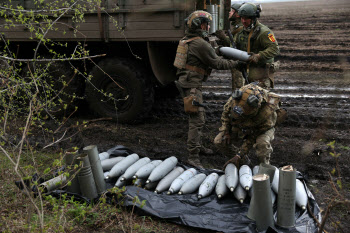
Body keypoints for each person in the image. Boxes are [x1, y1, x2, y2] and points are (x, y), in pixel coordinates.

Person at [174, 10, 241, 168]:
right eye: (206, 23)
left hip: (188, 82)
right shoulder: (199, 43)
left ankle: (198, 147)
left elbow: (208, 54)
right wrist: (237, 63)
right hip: (192, 86)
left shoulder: (189, 39)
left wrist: (216, 52)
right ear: (199, 25)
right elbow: (217, 63)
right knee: (196, 120)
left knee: (197, 119)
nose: (208, 26)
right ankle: (193, 156)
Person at [214, 83, 284, 168]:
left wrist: (239, 154)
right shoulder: (236, 99)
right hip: (243, 124)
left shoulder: (265, 113)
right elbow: (225, 115)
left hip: (262, 129)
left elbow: (252, 137)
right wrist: (226, 131)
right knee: (219, 141)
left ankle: (265, 169)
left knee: (262, 145)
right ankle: (243, 162)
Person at [234, 3, 280, 89]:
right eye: (242, 18)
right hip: (248, 75)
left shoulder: (264, 32)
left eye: (246, 18)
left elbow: (274, 49)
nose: (243, 21)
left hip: (262, 77)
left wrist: (258, 56)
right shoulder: (241, 32)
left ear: (253, 18)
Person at [215, 3, 245, 91]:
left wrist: (224, 38)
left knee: (238, 87)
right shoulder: (237, 26)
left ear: (238, 14)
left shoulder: (240, 27)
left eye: (232, 11)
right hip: (238, 60)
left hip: (239, 61)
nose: (229, 13)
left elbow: (235, 46)